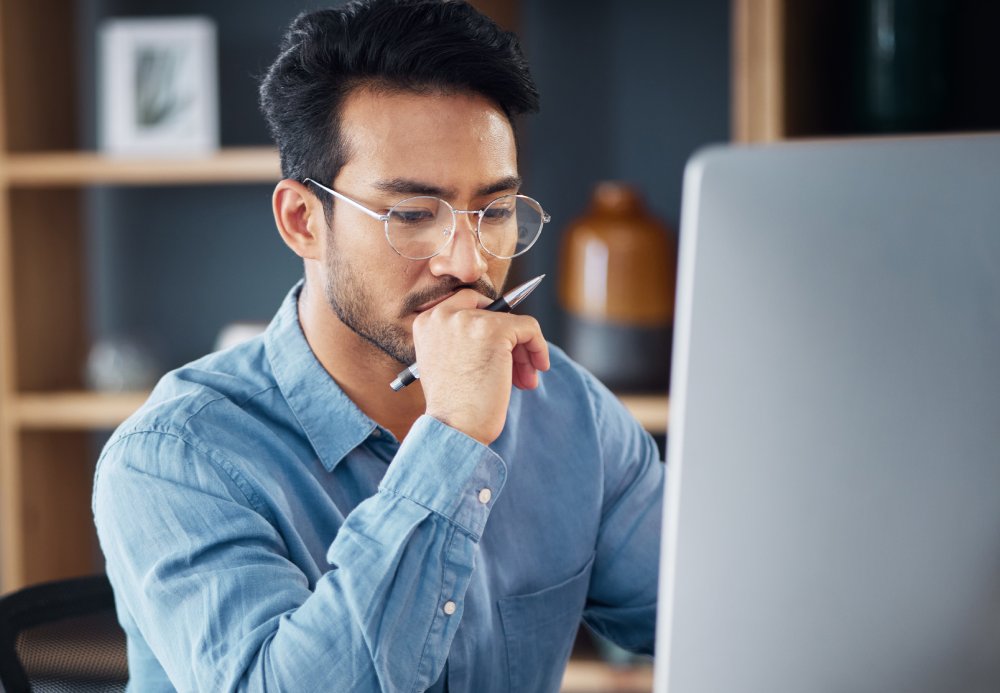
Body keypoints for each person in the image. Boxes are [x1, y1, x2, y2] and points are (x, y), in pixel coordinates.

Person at [93, 1, 664, 691]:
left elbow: (710, 614)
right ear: (303, 220)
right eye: (414, 215)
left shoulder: (567, 408)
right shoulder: (174, 456)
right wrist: (451, 438)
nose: (466, 259)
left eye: (493, 211)